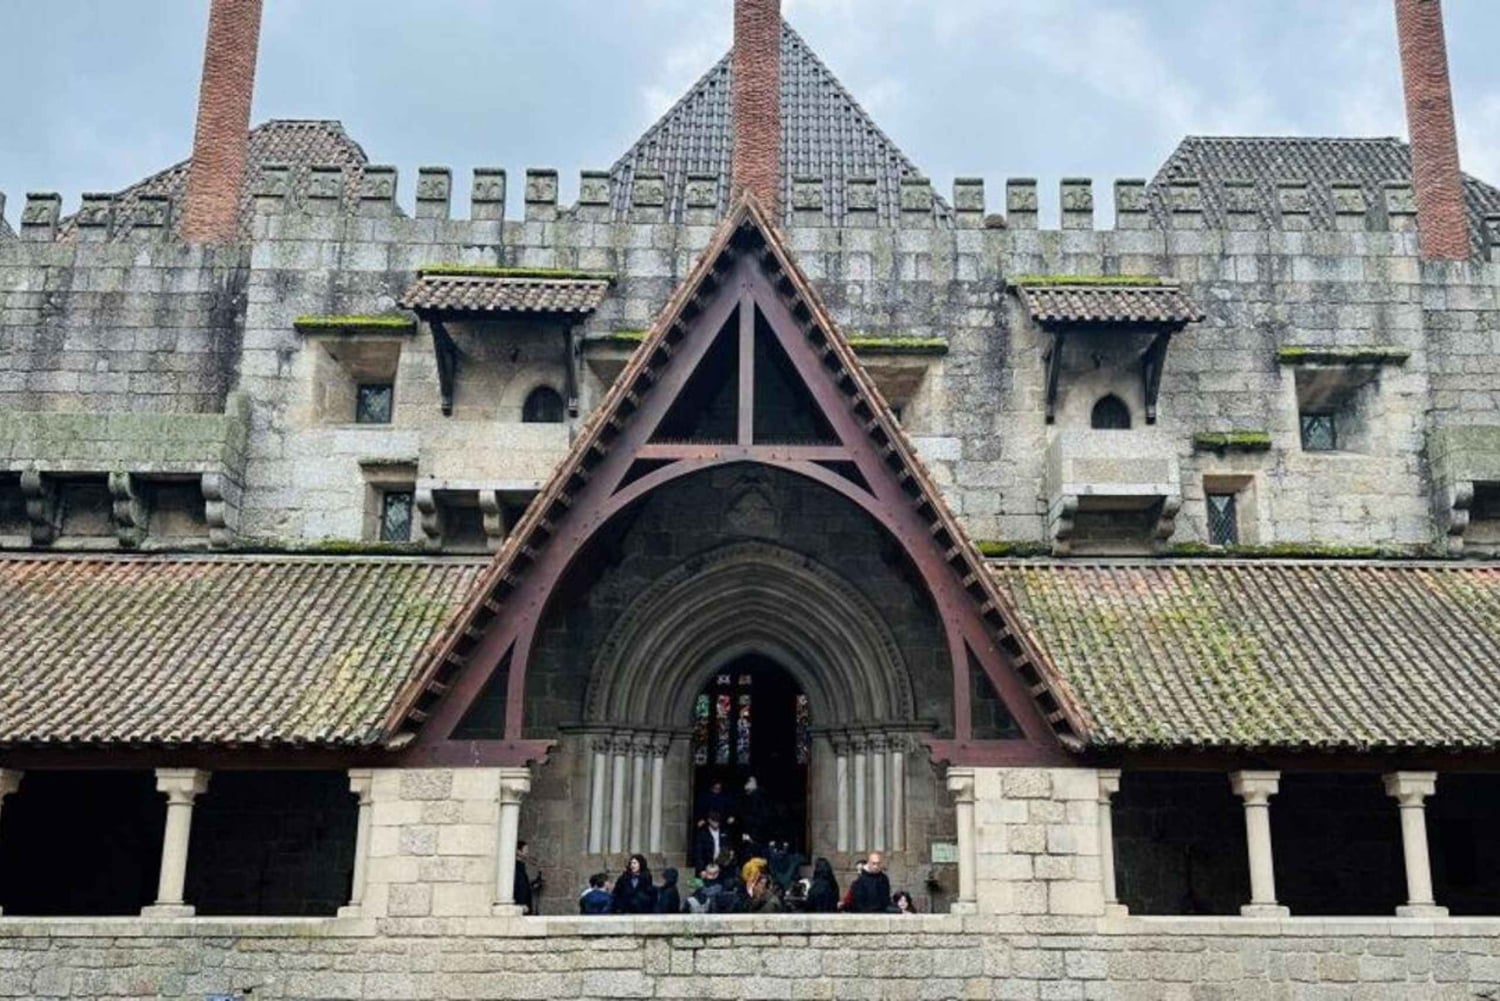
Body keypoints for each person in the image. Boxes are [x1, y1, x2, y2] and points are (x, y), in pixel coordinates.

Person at [514, 840, 540, 915]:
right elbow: (518, 885)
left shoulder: (521, 866)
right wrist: (521, 903)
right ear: (518, 851)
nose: (527, 852)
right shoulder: (516, 867)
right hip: (521, 906)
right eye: (525, 850)